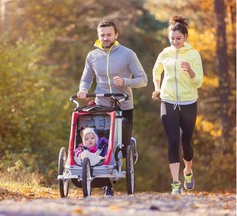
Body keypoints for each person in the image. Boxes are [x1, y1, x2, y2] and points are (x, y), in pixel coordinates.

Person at [77, 20, 148, 196]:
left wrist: (125, 82)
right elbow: (86, 79)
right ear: (98, 36)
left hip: (123, 104)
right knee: (103, 145)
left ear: (116, 35)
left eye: (109, 34)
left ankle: (129, 144)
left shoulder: (127, 54)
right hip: (102, 105)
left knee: (121, 148)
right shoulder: (92, 55)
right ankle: (107, 185)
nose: (105, 38)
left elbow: (143, 79)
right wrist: (83, 90)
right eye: (102, 35)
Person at [151, 15, 203, 195]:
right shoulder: (165, 53)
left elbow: (199, 83)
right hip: (168, 101)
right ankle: (175, 183)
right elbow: (156, 71)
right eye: (172, 38)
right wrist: (157, 88)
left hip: (189, 102)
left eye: (178, 38)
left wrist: (190, 71)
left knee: (186, 143)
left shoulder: (194, 54)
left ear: (185, 37)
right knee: (173, 141)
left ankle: (187, 171)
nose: (175, 41)